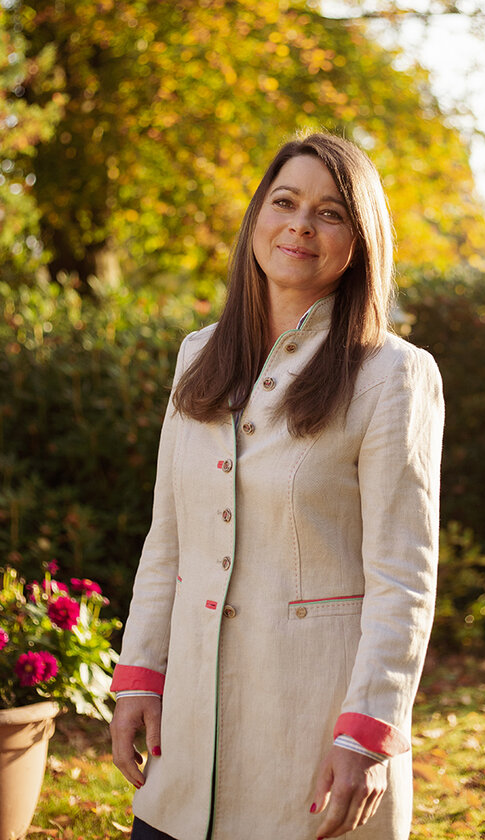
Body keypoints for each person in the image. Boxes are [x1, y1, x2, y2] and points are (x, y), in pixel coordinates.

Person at [109, 132, 444, 840]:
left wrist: (367, 737)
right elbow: (167, 537)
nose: (300, 223)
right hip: (186, 736)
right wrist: (140, 672)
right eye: (285, 201)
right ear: (256, 215)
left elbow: (403, 578)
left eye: (329, 212)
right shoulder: (198, 354)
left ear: (360, 240)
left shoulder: (394, 375)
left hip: (313, 741)